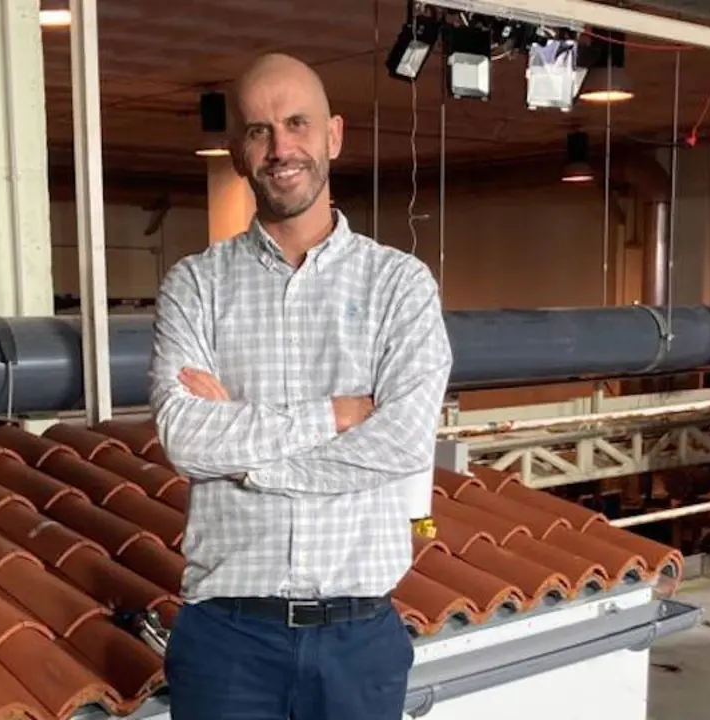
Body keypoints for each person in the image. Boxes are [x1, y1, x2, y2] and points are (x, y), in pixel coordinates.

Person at [147, 52, 453, 720]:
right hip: (226, 639)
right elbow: (188, 439)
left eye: (296, 124)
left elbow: (401, 444)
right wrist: (338, 413)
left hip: (359, 640)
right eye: (259, 130)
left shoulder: (399, 286)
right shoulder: (195, 286)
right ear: (236, 150)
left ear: (333, 136)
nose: (281, 147)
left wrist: (250, 463)